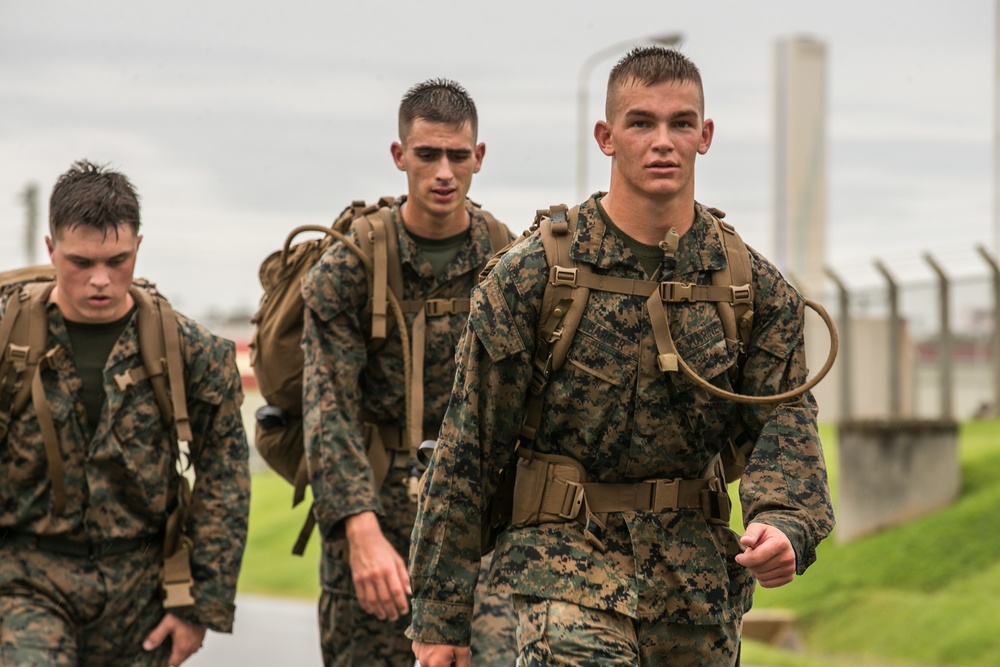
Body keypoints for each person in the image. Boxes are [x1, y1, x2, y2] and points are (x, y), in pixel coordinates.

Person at [407, 47, 835, 666]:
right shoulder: (532, 276)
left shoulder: (752, 287)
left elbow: (784, 426)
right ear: (606, 136)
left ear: (705, 136)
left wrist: (785, 523)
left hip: (698, 589)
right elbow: (468, 448)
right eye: (641, 123)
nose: (662, 142)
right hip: (564, 570)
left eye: (681, 123)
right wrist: (441, 615)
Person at [300, 79, 517, 666]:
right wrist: (359, 530)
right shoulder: (350, 264)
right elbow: (328, 412)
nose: (443, 172)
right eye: (427, 155)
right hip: (375, 510)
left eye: (457, 155)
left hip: (478, 524)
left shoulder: (510, 262)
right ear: (400, 157)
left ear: (479, 158)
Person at [0, 160, 251, 666]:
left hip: (141, 591)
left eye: (117, 261)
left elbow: (226, 478)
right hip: (24, 581)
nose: (100, 280)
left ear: (138, 247)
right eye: (80, 262)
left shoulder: (189, 352)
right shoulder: (8, 337)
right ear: (51, 250)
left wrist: (198, 605)